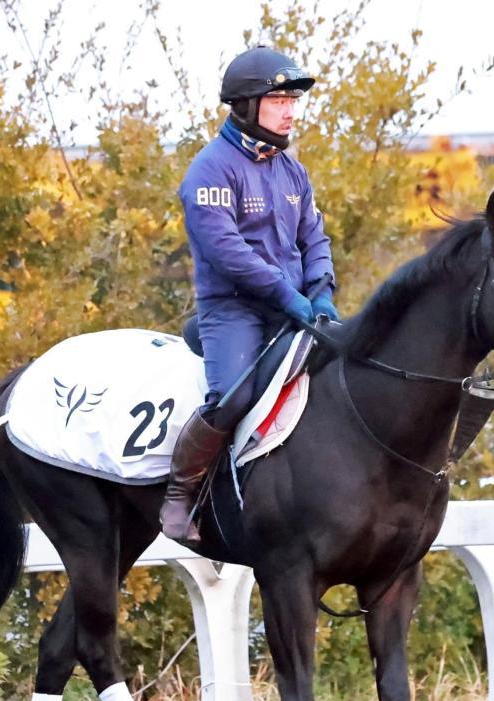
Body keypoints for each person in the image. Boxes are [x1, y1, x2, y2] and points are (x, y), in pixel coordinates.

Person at [159, 45, 339, 544]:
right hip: (235, 310)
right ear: (246, 105)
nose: (290, 110)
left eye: (292, 100)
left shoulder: (292, 171)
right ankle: (180, 496)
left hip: (296, 306)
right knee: (234, 395)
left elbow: (314, 238)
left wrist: (321, 292)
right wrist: (289, 295)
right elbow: (229, 254)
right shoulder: (210, 171)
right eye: (278, 99)